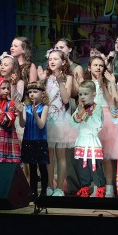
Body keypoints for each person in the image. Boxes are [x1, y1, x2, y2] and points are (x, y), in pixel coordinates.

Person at [38, 49, 75, 196]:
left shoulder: (68, 77)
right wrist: (41, 81)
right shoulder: (46, 77)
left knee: (61, 156)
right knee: (49, 156)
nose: (52, 61)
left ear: (63, 62)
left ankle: (59, 187)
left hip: (61, 120)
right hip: (48, 119)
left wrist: (60, 82)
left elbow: (65, 99)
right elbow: (39, 98)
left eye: (55, 59)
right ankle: (49, 186)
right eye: (50, 59)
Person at [88, 55, 118, 197]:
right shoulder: (87, 83)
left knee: (106, 156)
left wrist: (103, 85)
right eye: (95, 65)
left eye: (101, 65)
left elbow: (112, 102)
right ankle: (97, 186)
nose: (98, 68)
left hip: (105, 118)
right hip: (91, 118)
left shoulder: (107, 83)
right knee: (93, 156)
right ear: (89, 68)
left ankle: (109, 187)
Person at [70, 80, 106, 197]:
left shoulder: (97, 108)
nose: (82, 97)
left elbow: (97, 124)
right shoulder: (80, 108)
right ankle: (84, 189)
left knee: (95, 168)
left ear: (94, 94)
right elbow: (72, 125)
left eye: (85, 94)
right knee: (82, 168)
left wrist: (84, 115)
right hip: (82, 141)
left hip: (92, 142)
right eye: (80, 94)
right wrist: (77, 117)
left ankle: (99, 189)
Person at [18, 81, 50, 199]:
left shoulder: (44, 107)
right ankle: (33, 192)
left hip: (40, 140)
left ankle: (44, 191)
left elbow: (41, 125)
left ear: (42, 93)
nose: (32, 94)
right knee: (32, 168)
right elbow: (22, 124)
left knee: (42, 167)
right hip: (28, 140)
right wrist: (20, 113)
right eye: (30, 92)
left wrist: (35, 114)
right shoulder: (26, 107)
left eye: (35, 91)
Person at [0, 77, 21, 164]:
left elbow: (7, 121)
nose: (6, 91)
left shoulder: (11, 103)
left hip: (9, 137)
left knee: (10, 165)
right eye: (3, 88)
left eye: (8, 88)